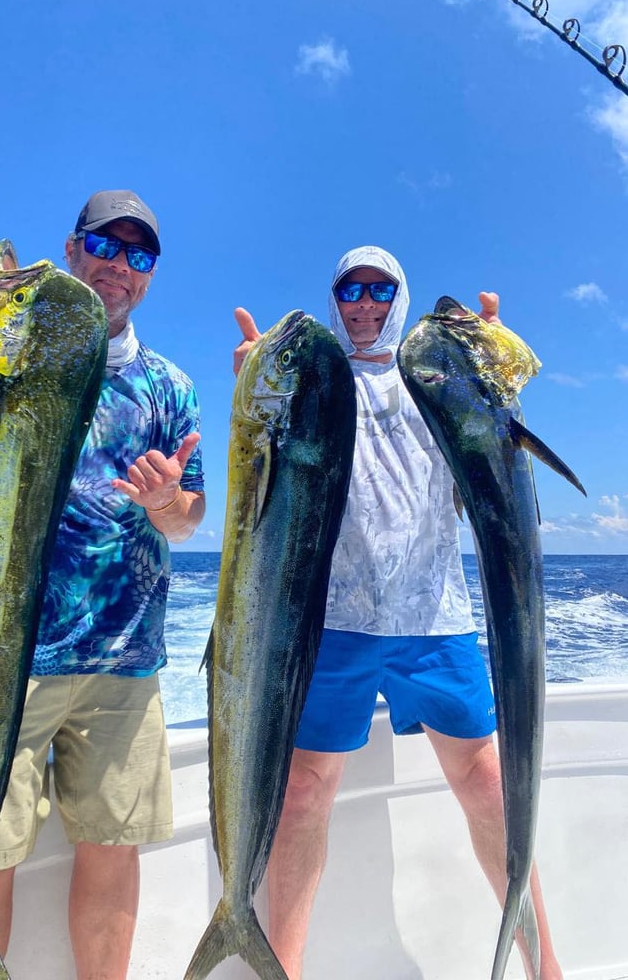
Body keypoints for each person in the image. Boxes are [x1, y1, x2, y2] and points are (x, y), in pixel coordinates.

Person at [233, 244, 562, 980]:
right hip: (335, 627)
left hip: (437, 622)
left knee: (488, 787)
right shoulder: (317, 380)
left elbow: (493, 466)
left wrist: (497, 371)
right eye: (350, 289)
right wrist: (259, 384)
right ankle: (281, 968)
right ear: (335, 299)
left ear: (400, 294)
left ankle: (547, 968)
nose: (364, 302)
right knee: (303, 796)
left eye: (380, 288)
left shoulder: (438, 377)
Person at [0, 190, 206, 980]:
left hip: (125, 663)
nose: (120, 266)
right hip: (4, 663)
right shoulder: (17, 359)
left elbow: (190, 519)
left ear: (151, 275)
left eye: (140, 255)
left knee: (113, 857)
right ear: (74, 245)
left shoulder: (171, 388)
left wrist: (167, 502)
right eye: (105, 245)